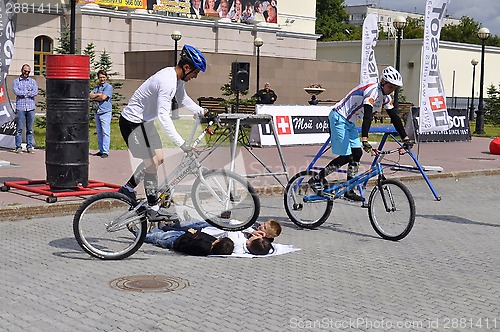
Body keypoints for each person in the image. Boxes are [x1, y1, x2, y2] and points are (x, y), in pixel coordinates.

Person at [117, 45, 208, 223]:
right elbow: (163, 117)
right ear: (187, 67)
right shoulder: (167, 81)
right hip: (131, 122)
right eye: (196, 72)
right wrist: (182, 143)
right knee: (151, 164)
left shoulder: (177, 79)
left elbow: (182, 99)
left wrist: (201, 111)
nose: (196, 76)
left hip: (145, 122)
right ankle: (153, 209)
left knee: (159, 159)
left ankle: (127, 190)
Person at [308, 66, 414, 201]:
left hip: (350, 122)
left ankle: (349, 190)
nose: (392, 90)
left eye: (394, 88)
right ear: (383, 82)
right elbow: (368, 116)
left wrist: (405, 138)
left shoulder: (386, 97)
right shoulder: (371, 91)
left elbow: (394, 117)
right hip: (338, 117)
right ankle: (316, 179)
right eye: (390, 87)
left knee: (357, 154)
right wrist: (365, 139)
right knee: (347, 156)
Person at [144, 228, 234, 256]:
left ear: (218, 243)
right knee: (157, 233)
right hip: (179, 236)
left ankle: (138, 233)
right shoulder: (211, 244)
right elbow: (202, 234)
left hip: (175, 239)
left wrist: (190, 233)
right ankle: (149, 228)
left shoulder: (203, 246)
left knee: (152, 237)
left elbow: (185, 243)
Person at [12, 64, 38, 154]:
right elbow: (16, 92)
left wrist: (24, 94)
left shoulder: (33, 81)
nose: (26, 73)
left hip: (31, 108)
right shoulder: (16, 81)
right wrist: (28, 93)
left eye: (28, 72)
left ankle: (29, 146)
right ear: (21, 70)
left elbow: (35, 92)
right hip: (20, 108)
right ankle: (18, 147)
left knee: (30, 129)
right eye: (25, 71)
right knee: (19, 128)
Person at [89, 70, 113, 158]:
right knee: (99, 132)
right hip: (97, 111)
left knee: (105, 132)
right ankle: (101, 150)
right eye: (100, 77)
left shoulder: (108, 87)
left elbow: (104, 97)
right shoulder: (97, 87)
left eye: (103, 77)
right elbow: (90, 95)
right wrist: (98, 95)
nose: (102, 79)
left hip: (105, 112)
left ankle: (105, 151)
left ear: (106, 77)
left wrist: (97, 96)